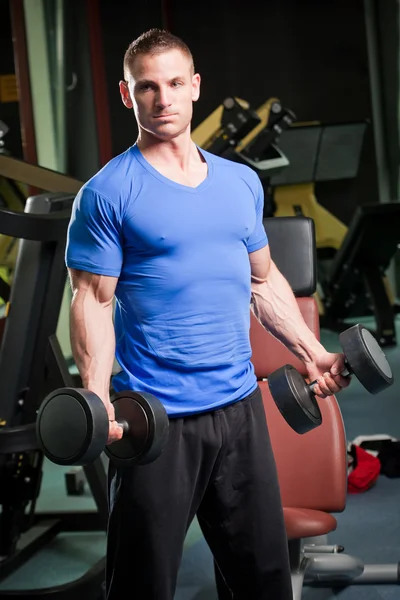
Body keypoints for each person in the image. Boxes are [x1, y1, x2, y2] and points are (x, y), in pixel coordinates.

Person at [65, 28, 350, 600]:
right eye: (148, 87)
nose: (163, 99)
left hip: (241, 411)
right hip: (156, 420)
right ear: (129, 95)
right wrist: (96, 399)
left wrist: (313, 353)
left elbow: (264, 283)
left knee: (264, 578)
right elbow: (93, 302)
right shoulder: (107, 194)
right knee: (143, 584)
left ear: (196, 87)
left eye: (174, 83)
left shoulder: (240, 183)